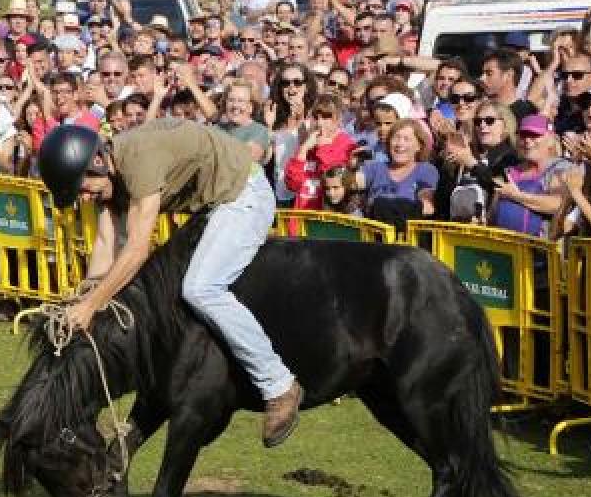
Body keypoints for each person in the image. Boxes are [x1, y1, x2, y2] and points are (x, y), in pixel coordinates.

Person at [37, 121, 304, 448]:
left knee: (201, 288)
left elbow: (136, 250)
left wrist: (90, 306)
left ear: (97, 163)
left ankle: (279, 385)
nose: (84, 197)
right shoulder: (111, 173)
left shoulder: (139, 160)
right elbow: (107, 244)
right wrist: (84, 298)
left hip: (243, 195)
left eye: (81, 188)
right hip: (212, 207)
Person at [490, 114, 572, 237]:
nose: (527, 141)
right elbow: (493, 213)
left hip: (539, 249)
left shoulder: (560, 167)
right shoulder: (509, 171)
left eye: (534, 135)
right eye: (523, 135)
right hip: (504, 248)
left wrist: (516, 195)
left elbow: (558, 204)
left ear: (550, 140)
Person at [356, 118, 438, 230]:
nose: (400, 143)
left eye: (406, 139)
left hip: (406, 236)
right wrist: (352, 167)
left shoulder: (425, 170)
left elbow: (428, 207)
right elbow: (351, 182)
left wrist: (389, 207)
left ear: (419, 146)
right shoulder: (375, 167)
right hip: (373, 235)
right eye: (396, 138)